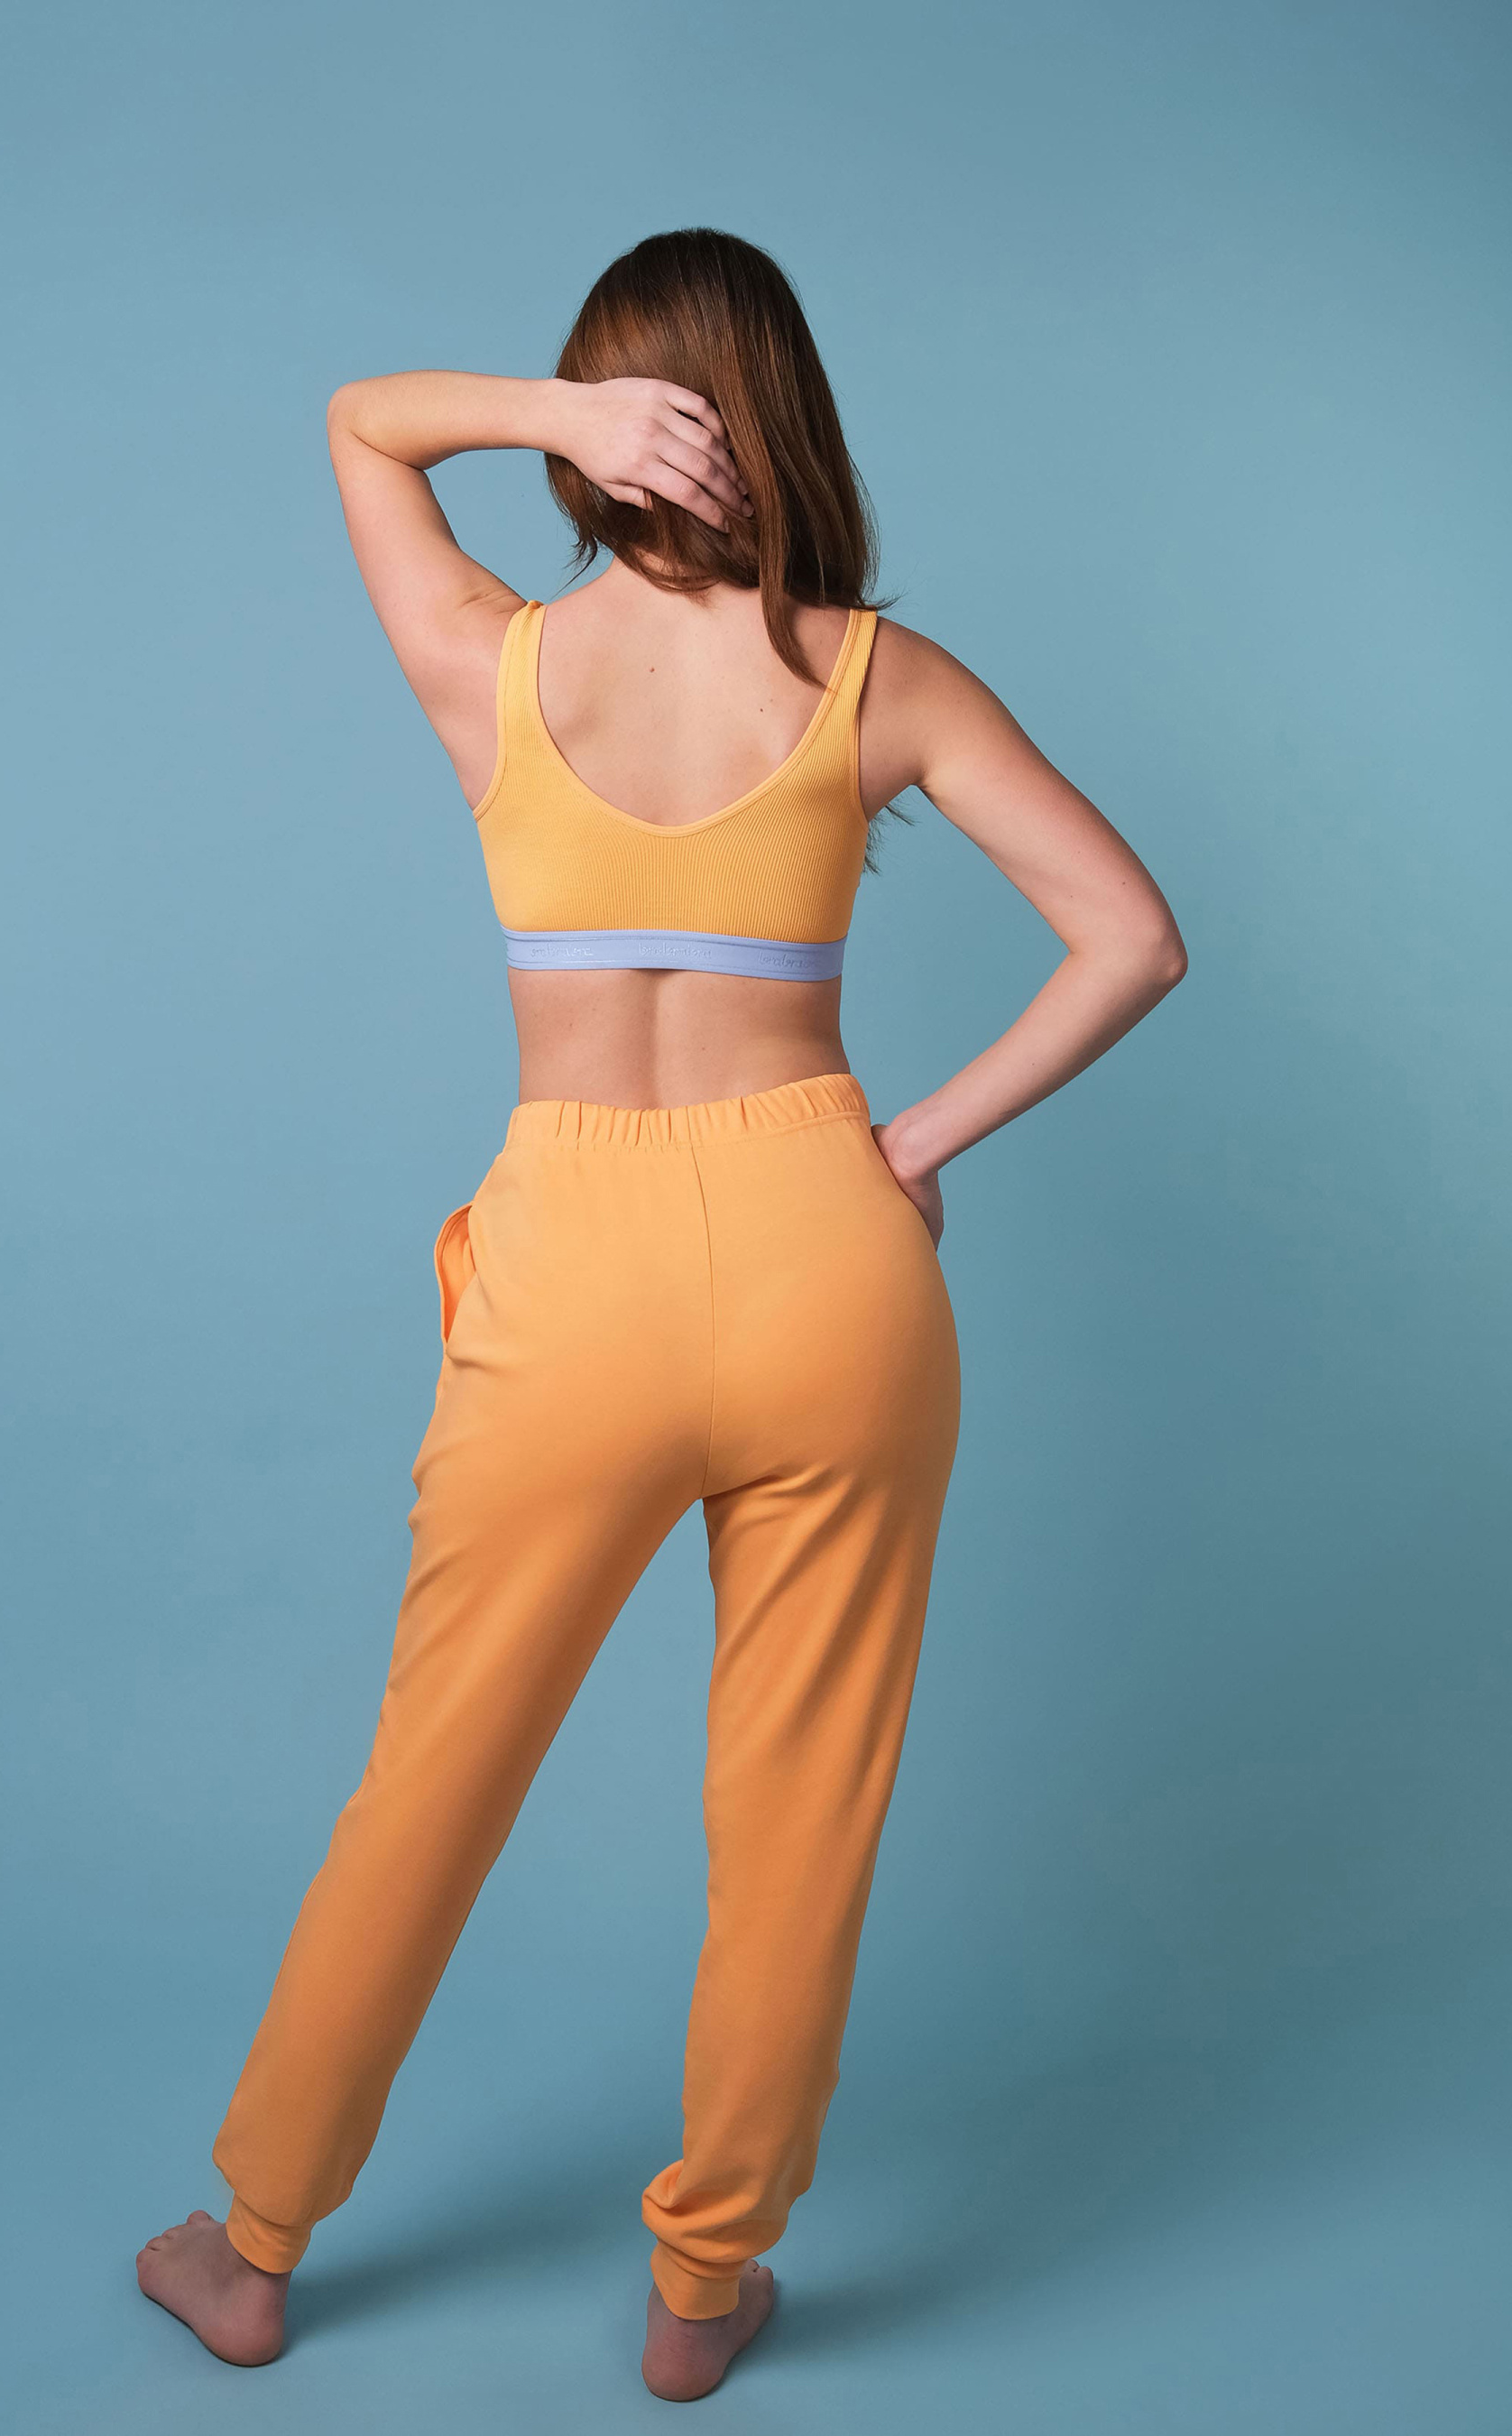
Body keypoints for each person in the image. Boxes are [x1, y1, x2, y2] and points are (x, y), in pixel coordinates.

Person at [135, 226, 1186, 2401]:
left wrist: (550, 417)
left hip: (572, 1266)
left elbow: (356, 424)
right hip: (825, 1244)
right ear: (784, 407)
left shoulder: (489, 661)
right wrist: (909, 1144)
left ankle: (250, 2250)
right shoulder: (878, 678)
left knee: (432, 1776)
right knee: (797, 1813)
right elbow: (1128, 938)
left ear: (611, 422)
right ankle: (704, 2293)